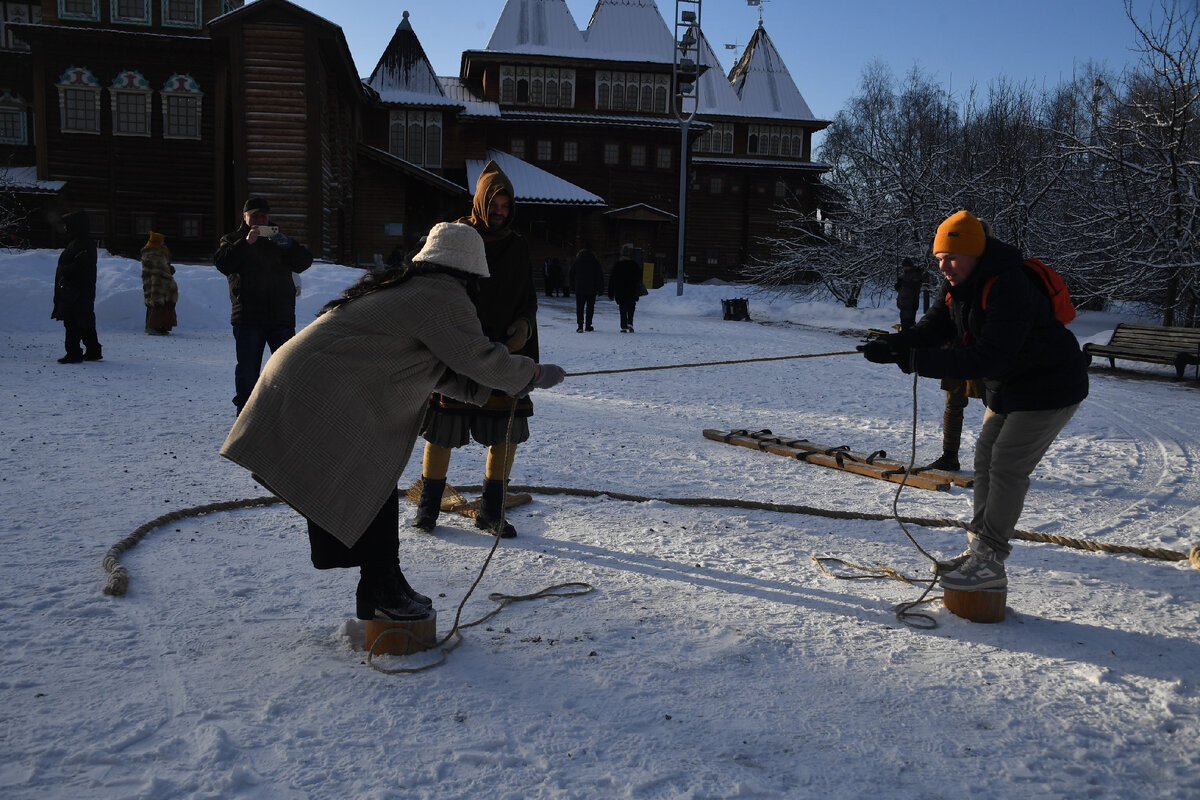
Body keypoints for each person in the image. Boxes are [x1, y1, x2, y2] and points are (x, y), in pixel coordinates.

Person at [220, 222, 566, 621]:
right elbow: (479, 357)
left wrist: (492, 389)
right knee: (371, 481)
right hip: (319, 388)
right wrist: (533, 375)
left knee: (376, 481)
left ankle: (383, 582)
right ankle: (382, 587)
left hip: (311, 381)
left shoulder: (417, 288)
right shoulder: (441, 295)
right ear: (470, 269)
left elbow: (436, 365)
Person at [858, 210, 1088, 591]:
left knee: (1007, 466)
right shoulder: (959, 285)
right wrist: (895, 344)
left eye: (952, 257)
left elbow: (989, 357)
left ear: (975, 254)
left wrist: (916, 361)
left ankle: (990, 561)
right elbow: (935, 326)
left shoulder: (1009, 286)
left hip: (1050, 388)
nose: (945, 265)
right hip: (1010, 388)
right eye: (939, 259)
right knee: (985, 461)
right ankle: (978, 550)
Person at [412, 161, 541, 538]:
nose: (499, 212)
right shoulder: (457, 236)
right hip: (459, 346)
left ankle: (490, 511)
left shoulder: (517, 246)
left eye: (505, 205)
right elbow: (435, 285)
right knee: (442, 430)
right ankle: (428, 507)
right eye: (494, 203)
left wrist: (524, 325)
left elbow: (527, 297)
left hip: (503, 350)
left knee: (505, 431)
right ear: (481, 202)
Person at [213, 197, 313, 414]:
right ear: (245, 216)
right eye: (254, 215)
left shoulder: (278, 240)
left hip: (281, 316)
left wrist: (290, 245)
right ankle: (246, 415)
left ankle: (288, 412)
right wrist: (245, 243)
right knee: (248, 371)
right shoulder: (232, 240)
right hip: (248, 317)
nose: (259, 219)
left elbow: (304, 262)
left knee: (287, 367)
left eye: (263, 215)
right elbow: (223, 264)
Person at [51, 210, 102, 363]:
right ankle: (93, 350)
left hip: (77, 290)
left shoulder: (83, 243)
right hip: (76, 290)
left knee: (72, 322)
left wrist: (65, 271)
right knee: (83, 321)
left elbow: (82, 266)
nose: (66, 229)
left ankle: (73, 353)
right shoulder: (78, 242)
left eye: (69, 225)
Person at [141, 232, 178, 335]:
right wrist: (168, 271)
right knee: (157, 304)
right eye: (161, 241)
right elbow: (159, 269)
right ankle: (154, 327)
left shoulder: (153, 252)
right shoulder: (154, 253)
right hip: (157, 283)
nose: (163, 243)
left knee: (160, 304)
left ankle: (161, 326)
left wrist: (168, 269)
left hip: (156, 282)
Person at [608, 243, 643, 333]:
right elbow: (639, 277)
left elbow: (612, 279)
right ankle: (630, 322)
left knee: (622, 308)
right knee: (631, 307)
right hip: (632, 290)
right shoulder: (634, 265)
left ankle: (623, 325)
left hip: (620, 290)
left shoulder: (617, 265)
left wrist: (611, 292)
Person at [569, 246, 605, 332]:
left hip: (580, 288)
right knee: (590, 308)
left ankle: (580, 326)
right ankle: (588, 325)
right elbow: (599, 275)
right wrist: (600, 288)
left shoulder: (577, 261)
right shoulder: (595, 261)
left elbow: (571, 274)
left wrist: (573, 287)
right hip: (592, 288)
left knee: (580, 308)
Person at [895, 257, 922, 330]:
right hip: (903, 305)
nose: (905, 268)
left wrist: (903, 283)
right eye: (904, 267)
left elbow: (914, 286)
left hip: (910, 305)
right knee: (904, 323)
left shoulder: (916, 274)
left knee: (909, 324)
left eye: (907, 266)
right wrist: (898, 286)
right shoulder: (904, 276)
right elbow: (902, 289)